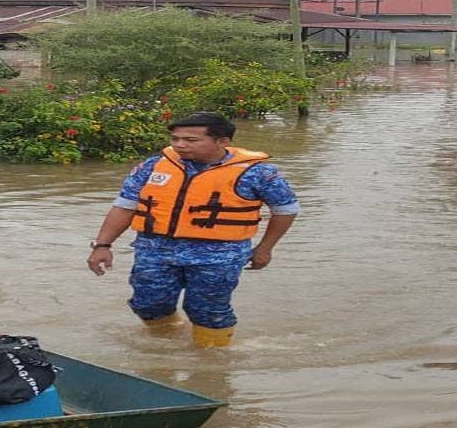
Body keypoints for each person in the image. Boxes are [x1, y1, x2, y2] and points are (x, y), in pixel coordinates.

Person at [86, 112, 299, 348]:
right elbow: (125, 206)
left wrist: (265, 248)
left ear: (222, 142)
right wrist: (102, 245)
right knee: (147, 304)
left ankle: (212, 363)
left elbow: (285, 209)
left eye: (190, 140)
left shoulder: (258, 173)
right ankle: (166, 346)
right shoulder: (154, 165)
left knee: (208, 310)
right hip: (155, 249)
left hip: (219, 254)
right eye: (175, 139)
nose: (179, 145)